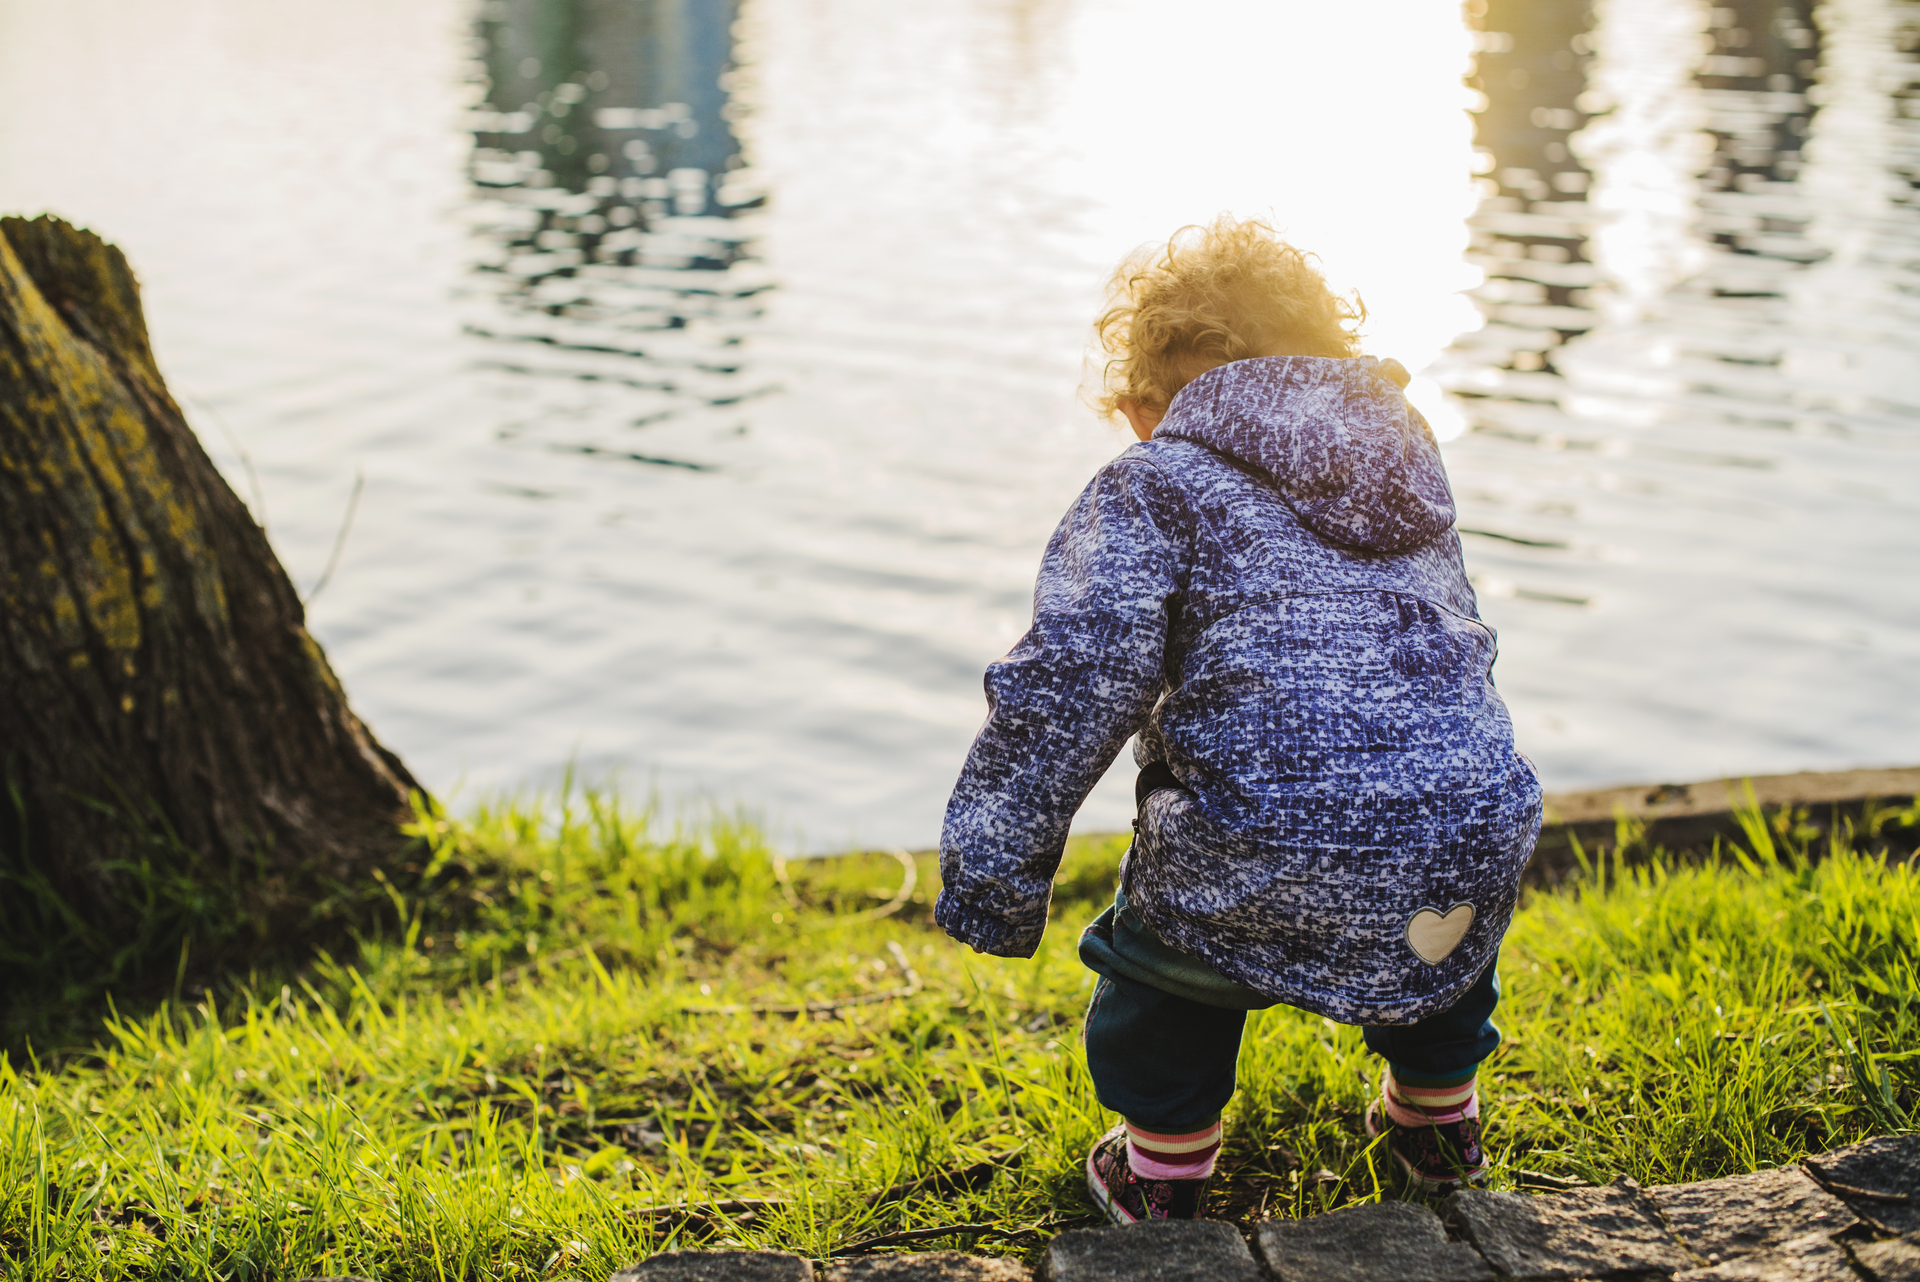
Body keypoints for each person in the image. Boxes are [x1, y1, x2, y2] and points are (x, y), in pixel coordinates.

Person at [932, 217, 1542, 1224]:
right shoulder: (1403, 455)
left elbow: (1064, 689)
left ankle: (1165, 1174)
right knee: (1444, 953)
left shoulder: (1152, 485)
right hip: (1467, 822)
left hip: (1253, 839)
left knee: (1160, 976)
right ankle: (1439, 1122)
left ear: (1142, 409)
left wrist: (994, 878)